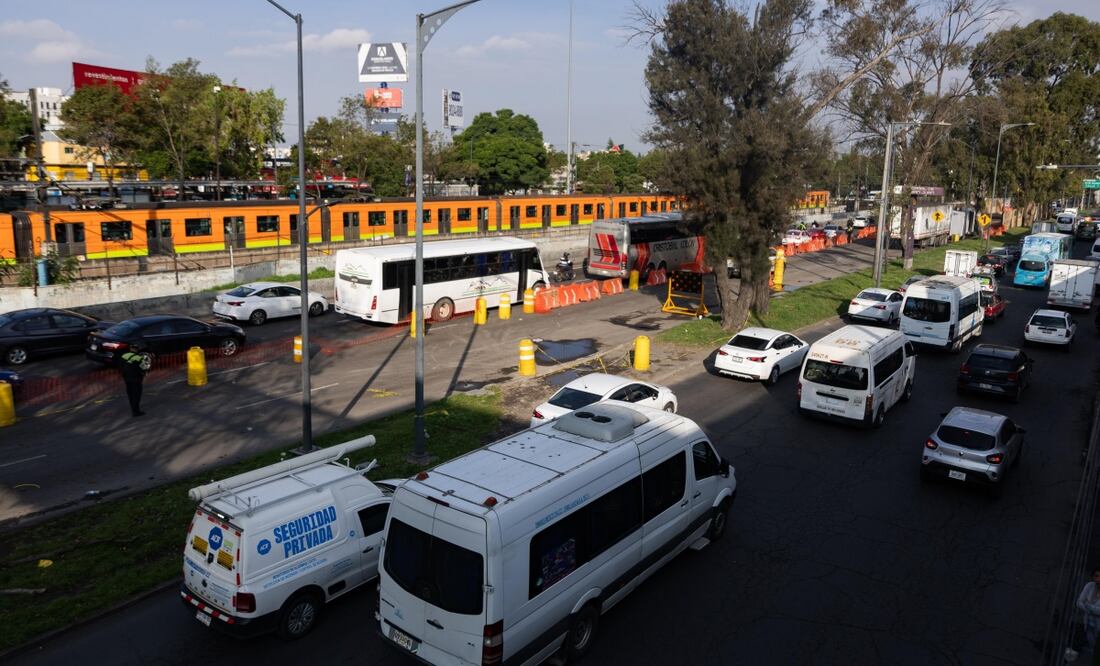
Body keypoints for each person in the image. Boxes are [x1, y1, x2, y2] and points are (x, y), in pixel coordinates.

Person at [120, 344, 147, 417]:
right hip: (136, 379)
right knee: (136, 395)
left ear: (130, 349)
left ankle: (133, 408)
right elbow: (144, 368)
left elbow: (120, 366)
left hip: (127, 379)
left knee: (130, 394)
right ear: (136, 349)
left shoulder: (124, 356)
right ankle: (136, 411)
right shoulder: (139, 358)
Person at [1077, 567, 1100, 654]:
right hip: (1088, 624)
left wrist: (1088, 606)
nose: (1098, 579)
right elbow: (1079, 602)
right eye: (1096, 576)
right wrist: (1092, 610)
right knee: (1092, 645)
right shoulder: (1090, 585)